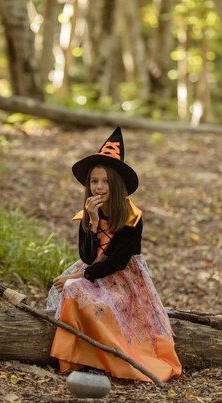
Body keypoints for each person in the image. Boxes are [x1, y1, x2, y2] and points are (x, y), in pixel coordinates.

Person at [46, 127, 182, 382]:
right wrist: (93, 223)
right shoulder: (88, 212)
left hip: (124, 278)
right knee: (68, 290)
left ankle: (110, 358)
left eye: (105, 181)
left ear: (116, 184)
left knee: (79, 290)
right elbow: (88, 256)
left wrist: (79, 276)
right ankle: (78, 357)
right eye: (94, 181)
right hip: (95, 268)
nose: (99, 187)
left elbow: (118, 262)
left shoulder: (131, 217)